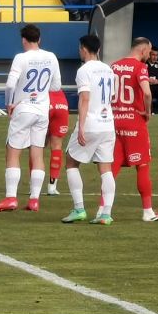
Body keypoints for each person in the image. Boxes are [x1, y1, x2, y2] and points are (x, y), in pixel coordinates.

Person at [0, 24, 63, 212]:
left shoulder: (21, 58)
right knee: (37, 153)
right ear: (39, 39)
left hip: (24, 108)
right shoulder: (51, 57)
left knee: (13, 151)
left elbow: (9, 85)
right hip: (42, 110)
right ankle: (34, 200)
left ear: (23, 40)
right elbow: (56, 86)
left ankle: (11, 198)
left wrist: (9, 103)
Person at [60, 35, 118, 225]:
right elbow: (112, 97)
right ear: (98, 49)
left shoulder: (84, 70)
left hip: (91, 122)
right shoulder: (109, 69)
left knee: (70, 161)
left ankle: (79, 208)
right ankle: (106, 214)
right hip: (108, 123)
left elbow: (84, 98)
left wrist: (81, 127)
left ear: (83, 49)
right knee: (106, 168)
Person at [109, 37, 158, 222]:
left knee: (111, 167)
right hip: (134, 121)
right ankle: (148, 211)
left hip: (115, 120)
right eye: (149, 53)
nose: (149, 56)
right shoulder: (140, 68)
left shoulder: (114, 66)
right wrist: (147, 111)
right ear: (143, 50)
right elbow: (147, 93)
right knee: (142, 165)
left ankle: (104, 209)